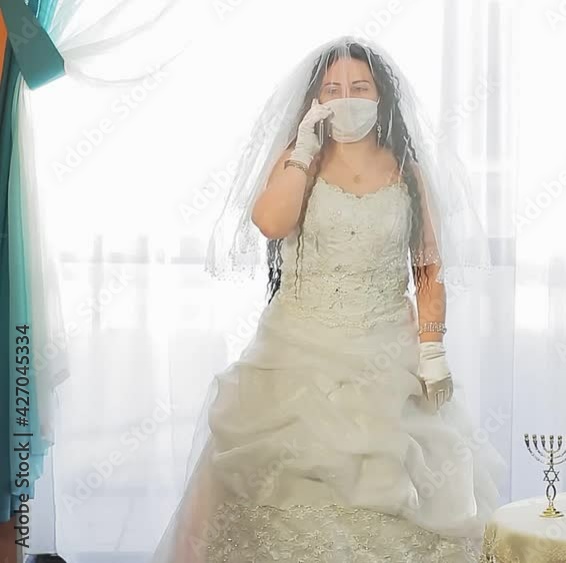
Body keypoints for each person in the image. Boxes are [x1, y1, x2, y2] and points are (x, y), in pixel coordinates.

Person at [150, 36, 503, 562]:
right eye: (333, 88)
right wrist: (304, 151)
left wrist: (432, 352)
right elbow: (271, 222)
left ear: (382, 97)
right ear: (315, 99)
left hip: (389, 356)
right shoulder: (299, 162)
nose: (347, 98)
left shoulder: (406, 171)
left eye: (360, 87)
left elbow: (427, 267)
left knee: (403, 494)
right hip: (297, 351)